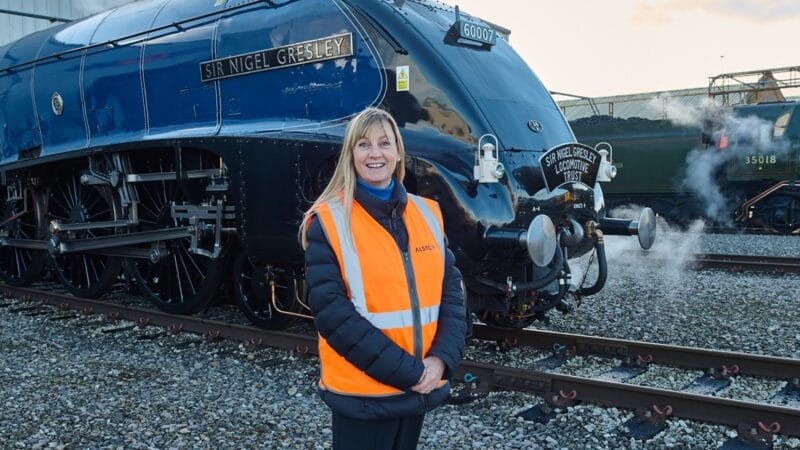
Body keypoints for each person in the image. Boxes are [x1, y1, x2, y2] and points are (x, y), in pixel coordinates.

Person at [299, 107, 467, 450]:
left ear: (398, 152)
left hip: (418, 388)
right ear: (350, 155)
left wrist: (441, 361)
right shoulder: (328, 222)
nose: (375, 153)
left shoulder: (427, 214)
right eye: (363, 145)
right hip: (365, 396)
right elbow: (333, 315)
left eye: (384, 143)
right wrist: (411, 373)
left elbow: (451, 295)